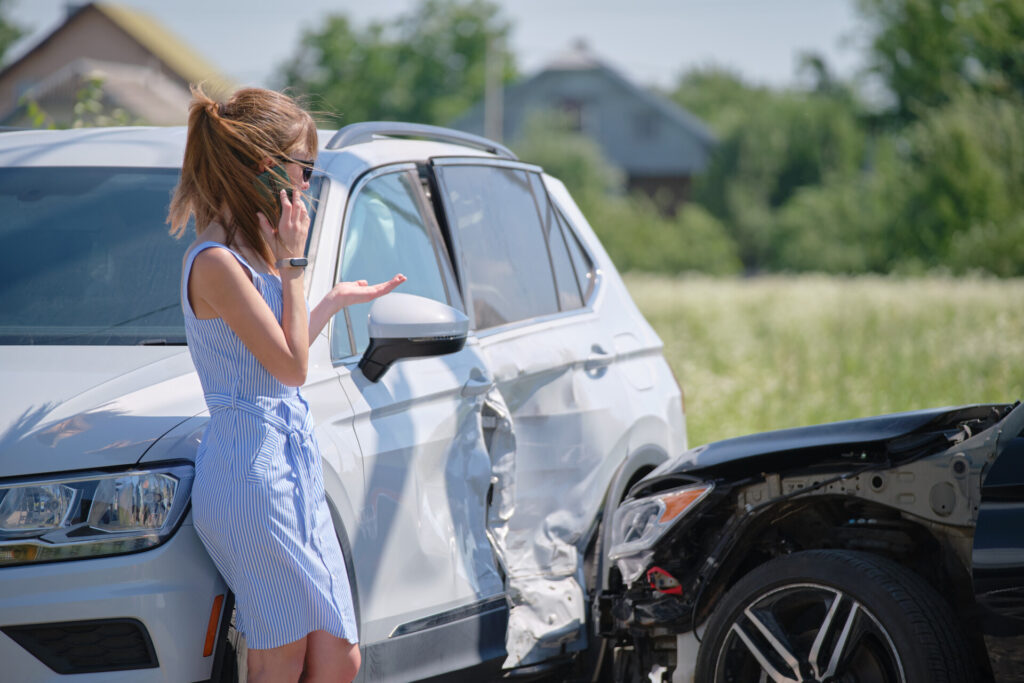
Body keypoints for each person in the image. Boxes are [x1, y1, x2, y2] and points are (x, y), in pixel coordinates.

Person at [168, 86, 405, 683]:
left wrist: (327, 301)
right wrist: (296, 268)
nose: (307, 184)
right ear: (263, 164)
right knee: (282, 658)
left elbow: (276, 352)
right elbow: (291, 368)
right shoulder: (217, 261)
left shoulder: (254, 250)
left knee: (337, 657)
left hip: (288, 465)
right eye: (303, 169)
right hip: (250, 474)